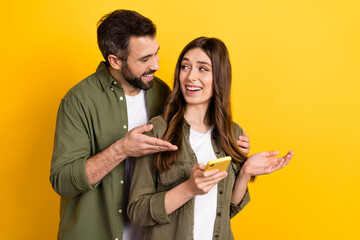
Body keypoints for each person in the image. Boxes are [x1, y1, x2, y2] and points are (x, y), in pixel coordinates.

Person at [50, 10, 251, 240]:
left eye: (156, 54)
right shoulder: (79, 101)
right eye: (145, 59)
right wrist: (122, 149)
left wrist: (233, 145)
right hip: (97, 232)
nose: (156, 65)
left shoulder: (163, 93)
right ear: (115, 60)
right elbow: (63, 181)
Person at [127, 37, 294, 240]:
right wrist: (188, 189)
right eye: (185, 67)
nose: (190, 77)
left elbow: (226, 211)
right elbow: (137, 211)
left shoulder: (233, 134)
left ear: (220, 77)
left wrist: (245, 173)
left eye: (203, 68)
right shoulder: (157, 131)